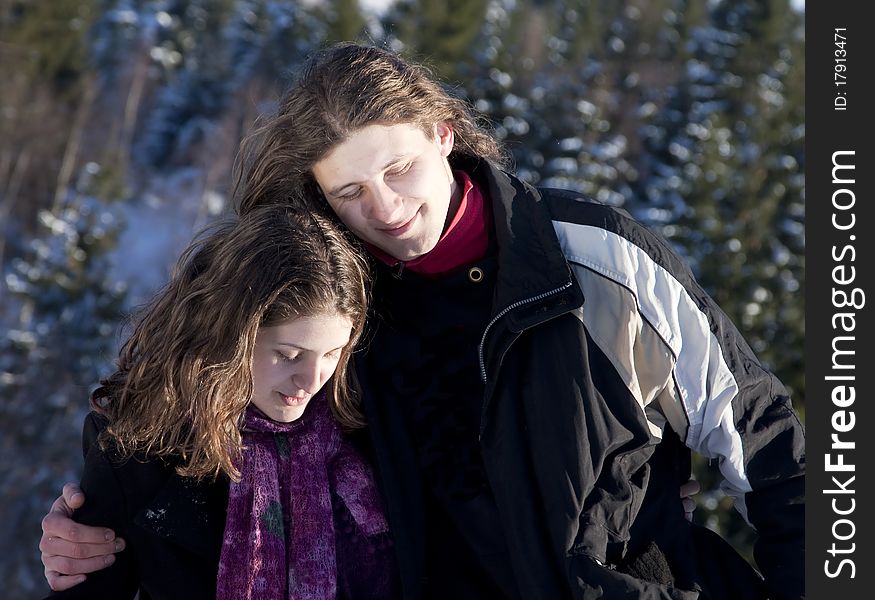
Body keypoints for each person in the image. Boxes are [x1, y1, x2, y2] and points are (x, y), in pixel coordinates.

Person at [40, 43, 804, 599]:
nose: (385, 209)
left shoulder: (594, 259)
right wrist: (96, 534)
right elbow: (211, 425)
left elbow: (766, 440)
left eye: (398, 169)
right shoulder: (333, 303)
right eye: (349, 192)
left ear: (443, 133)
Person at [41, 203, 399, 599]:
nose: (313, 380)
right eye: (289, 354)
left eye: (332, 353)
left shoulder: (368, 427)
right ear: (229, 338)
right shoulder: (138, 451)